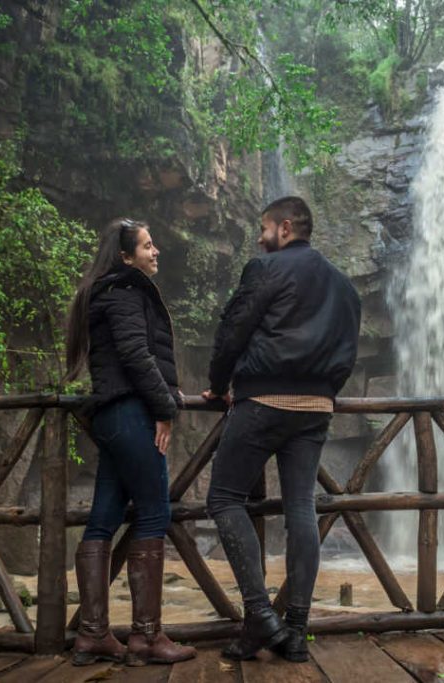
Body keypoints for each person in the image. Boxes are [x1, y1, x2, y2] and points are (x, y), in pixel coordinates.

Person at [203, 196, 362, 661]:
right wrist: (325, 391)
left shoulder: (264, 270)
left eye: (265, 227)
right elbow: (348, 351)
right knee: (300, 510)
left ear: (286, 228)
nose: (259, 236)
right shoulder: (344, 286)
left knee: (224, 498)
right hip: (316, 409)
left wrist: (218, 385)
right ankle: (295, 631)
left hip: (263, 401)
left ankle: (259, 614)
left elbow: (233, 331)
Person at [63, 218, 195, 667]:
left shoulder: (107, 291)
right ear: (125, 256)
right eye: (147, 245)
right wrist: (165, 408)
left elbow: (132, 356)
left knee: (103, 519)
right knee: (155, 513)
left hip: (114, 415)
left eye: (155, 244)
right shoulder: (124, 293)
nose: (156, 251)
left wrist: (164, 397)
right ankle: (146, 638)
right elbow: (136, 354)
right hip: (131, 413)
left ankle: (93, 635)